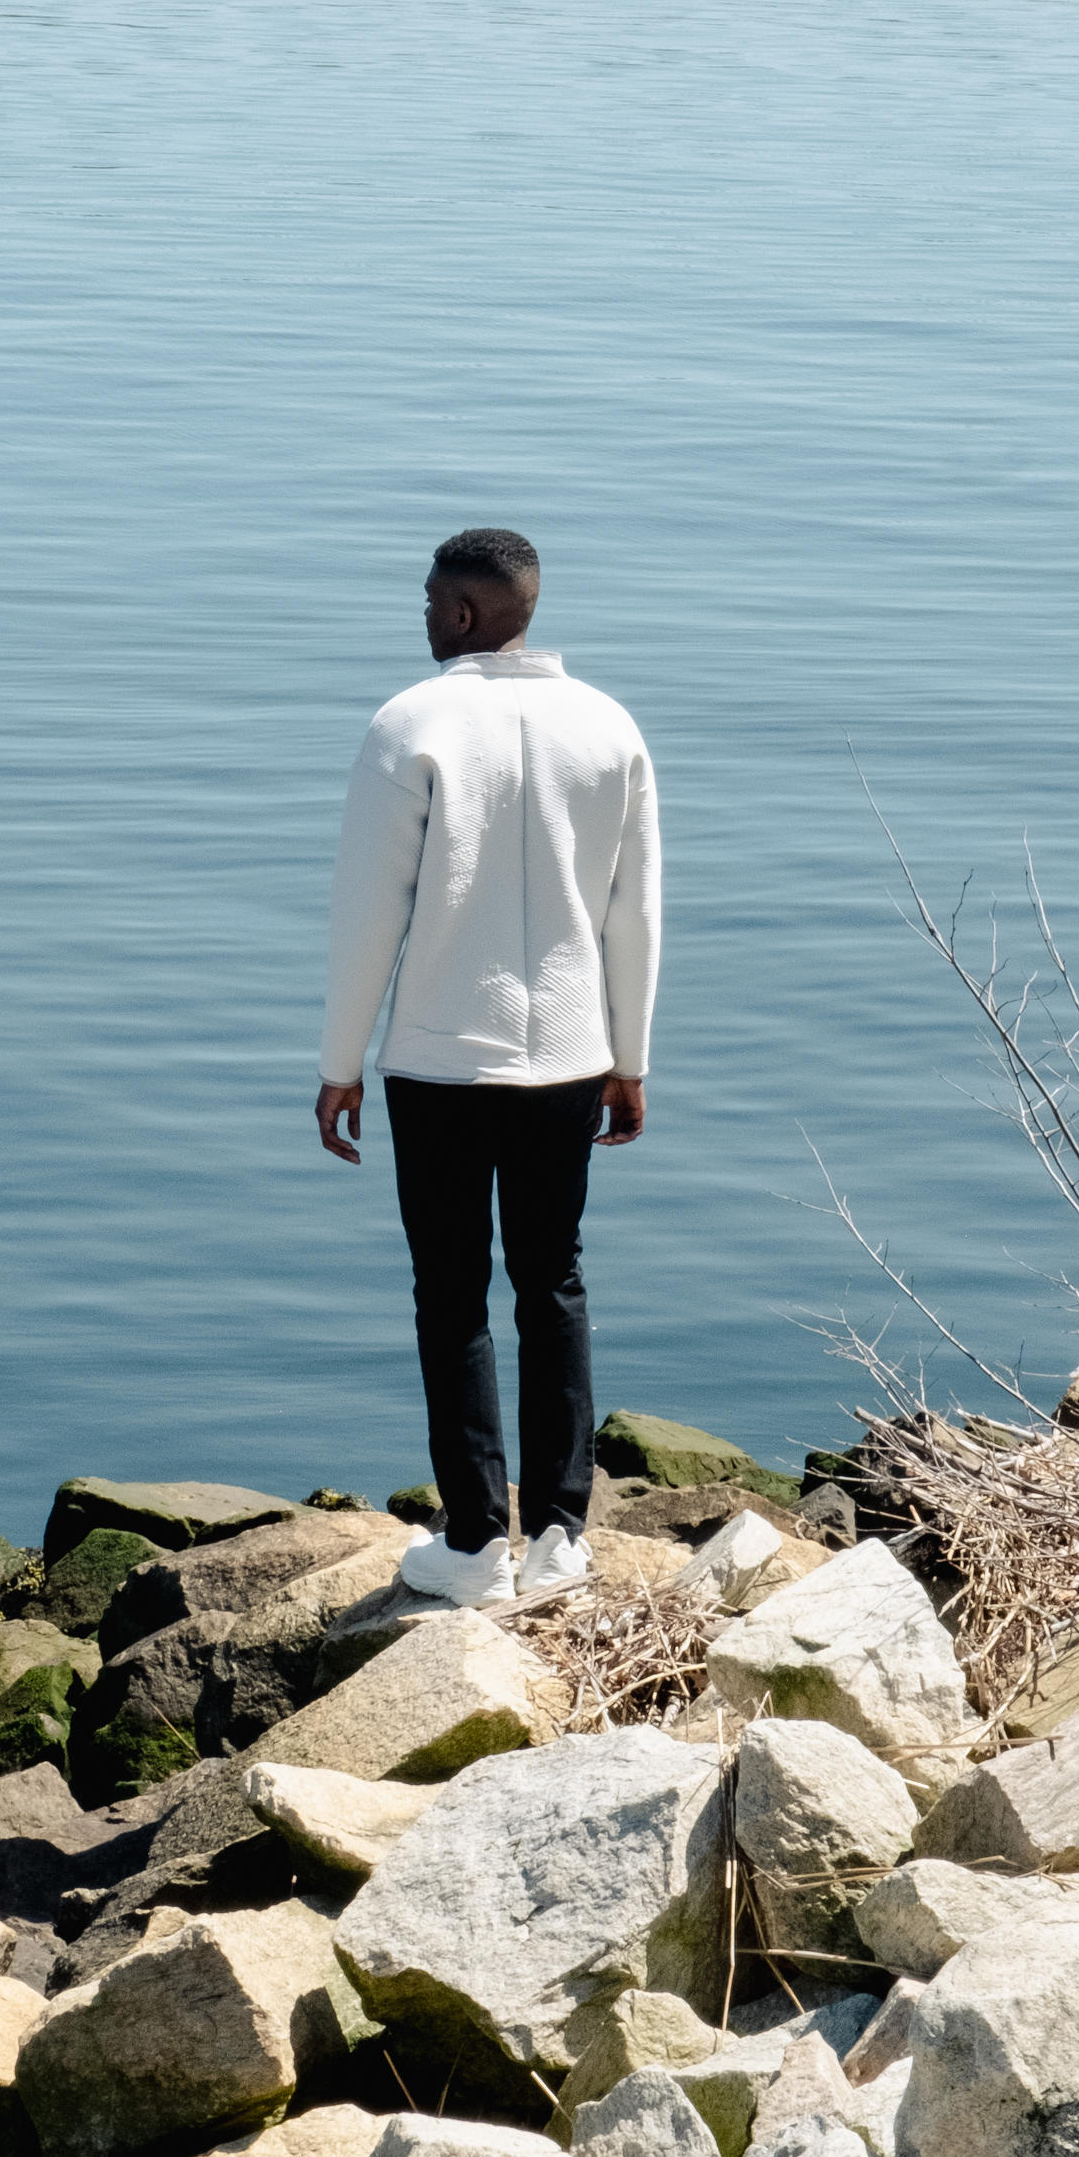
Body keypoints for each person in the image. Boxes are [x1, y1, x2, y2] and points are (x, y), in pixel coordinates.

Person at [314, 529, 659, 1607]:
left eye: (429, 600)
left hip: (439, 1061)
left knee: (452, 1294)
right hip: (568, 1056)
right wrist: (630, 1056)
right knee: (552, 1282)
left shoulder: (408, 724)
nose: (421, 615)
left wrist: (340, 1064)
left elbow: (369, 916)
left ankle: (473, 1545)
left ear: (464, 614)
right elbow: (633, 912)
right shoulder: (609, 727)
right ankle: (561, 1534)